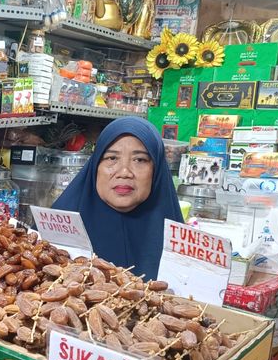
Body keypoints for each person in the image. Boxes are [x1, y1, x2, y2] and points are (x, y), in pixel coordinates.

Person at [52, 116, 183, 280]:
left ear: (156, 170)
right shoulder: (54, 227)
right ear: (95, 166)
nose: (124, 172)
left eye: (139, 160)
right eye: (112, 158)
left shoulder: (180, 244)